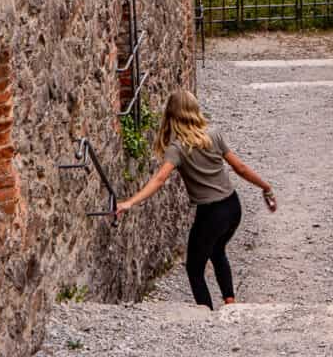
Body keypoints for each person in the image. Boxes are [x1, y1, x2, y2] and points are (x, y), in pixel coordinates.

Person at [115, 88, 277, 308]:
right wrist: (265, 187)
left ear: (171, 115)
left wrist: (130, 202)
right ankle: (230, 302)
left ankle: (207, 314)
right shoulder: (214, 134)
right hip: (232, 207)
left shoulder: (178, 148)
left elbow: (159, 180)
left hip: (211, 213)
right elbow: (240, 167)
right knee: (217, 250)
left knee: (194, 268)